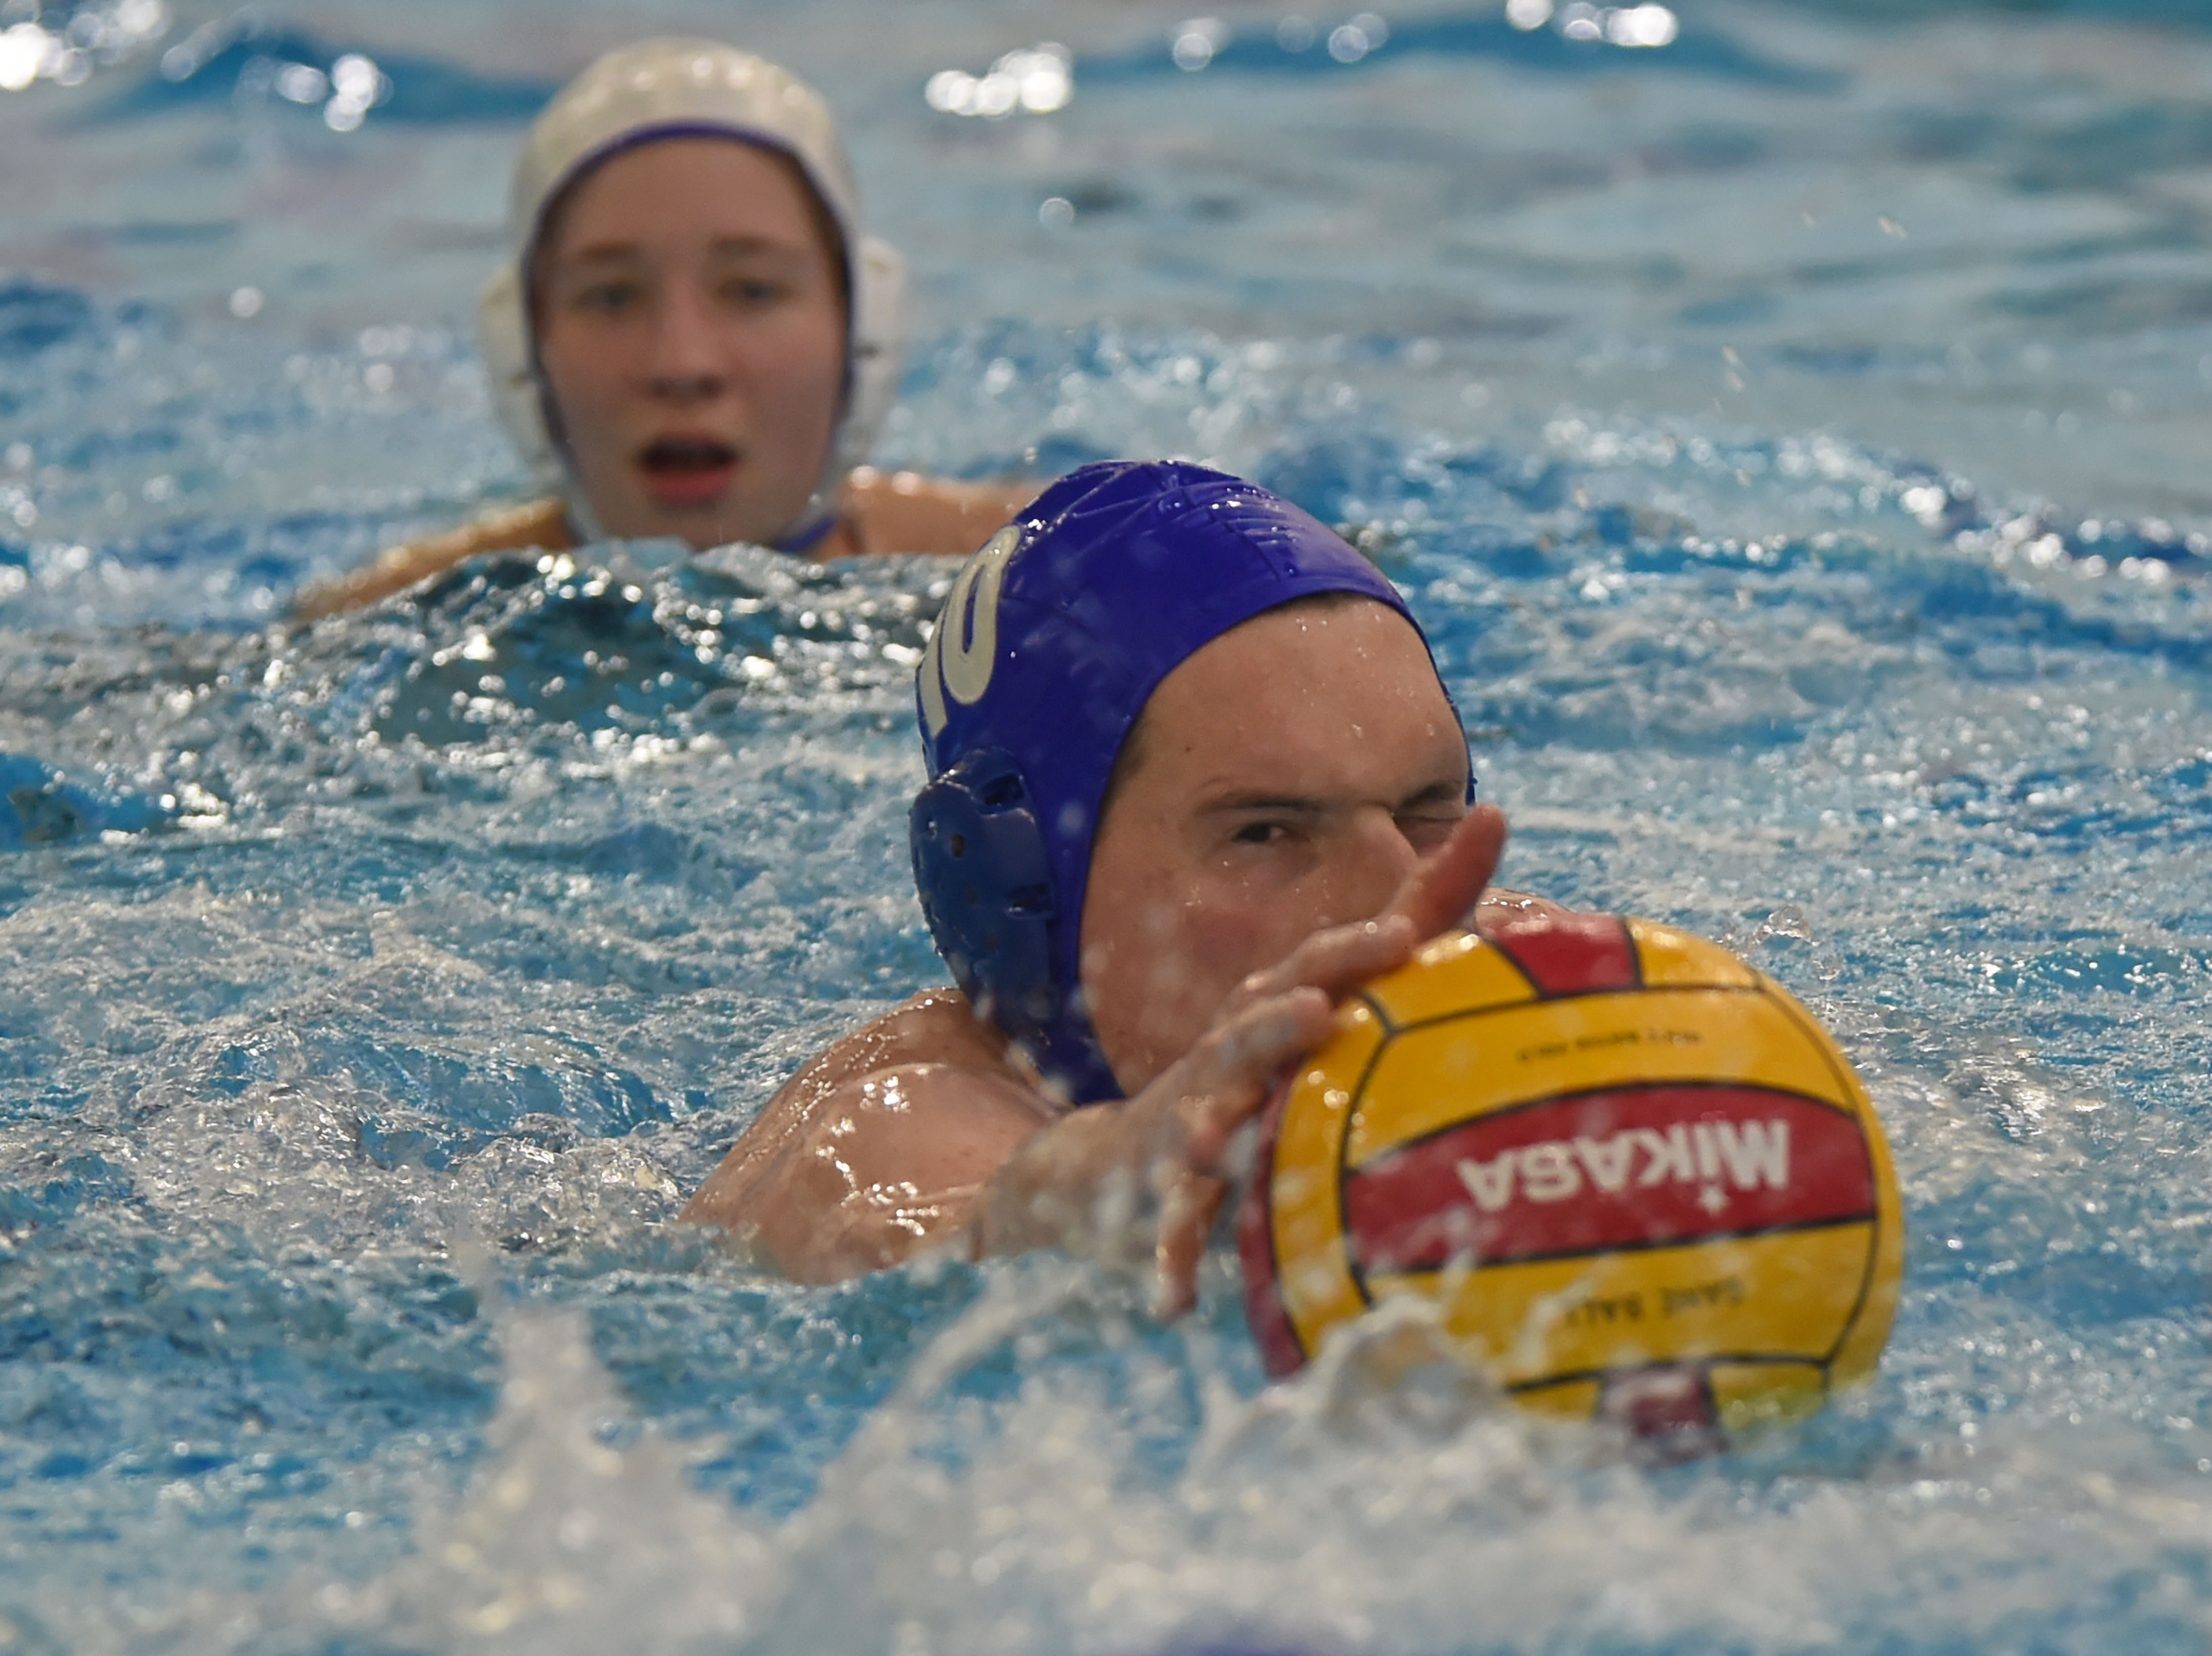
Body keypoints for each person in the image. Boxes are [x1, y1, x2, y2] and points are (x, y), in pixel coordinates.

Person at [685, 460, 1551, 1313]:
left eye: (1426, 812)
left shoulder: (1535, 972)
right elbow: (951, 1240)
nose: (1404, 906)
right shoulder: (880, 1127)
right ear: (1015, 890)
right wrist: (1120, 1179)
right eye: (1266, 832)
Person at [293, 38, 1025, 621]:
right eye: (611, 298)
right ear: (523, 349)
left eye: (753, 290)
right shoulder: (381, 628)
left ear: (862, 330)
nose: (683, 362)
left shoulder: (1033, 573)